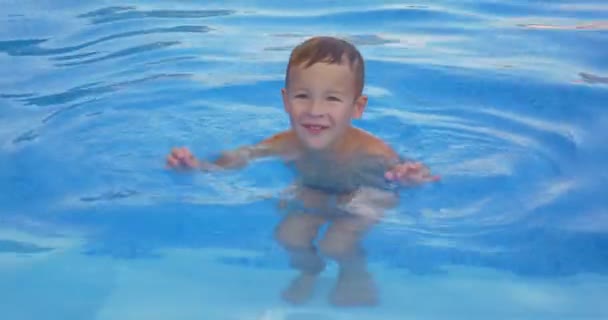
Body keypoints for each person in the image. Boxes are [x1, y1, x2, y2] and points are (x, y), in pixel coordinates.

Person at [166, 36, 440, 306]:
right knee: (288, 236)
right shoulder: (286, 143)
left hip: (365, 193)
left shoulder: (372, 151)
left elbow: (408, 175)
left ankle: (354, 273)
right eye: (302, 96)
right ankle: (310, 271)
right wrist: (198, 167)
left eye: (332, 98)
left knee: (337, 244)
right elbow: (241, 157)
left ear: (357, 107)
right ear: (286, 101)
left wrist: (413, 178)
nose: (315, 110)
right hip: (313, 191)